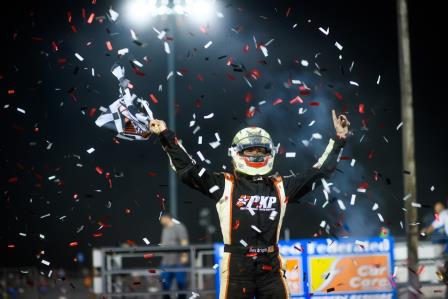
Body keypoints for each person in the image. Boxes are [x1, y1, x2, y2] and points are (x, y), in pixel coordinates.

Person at [149, 110, 349, 299]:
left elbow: (318, 172)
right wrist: (165, 135)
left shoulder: (281, 186)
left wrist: (339, 140)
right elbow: (189, 169)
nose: (256, 153)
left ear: (270, 152)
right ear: (237, 152)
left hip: (271, 266)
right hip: (237, 266)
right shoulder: (224, 184)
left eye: (261, 149)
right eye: (250, 149)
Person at [159, 212, 189, 299]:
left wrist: (184, 255)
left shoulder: (179, 227)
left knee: (181, 286)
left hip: (178, 262)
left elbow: (184, 241)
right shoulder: (165, 229)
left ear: (166, 217)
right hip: (166, 262)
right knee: (165, 286)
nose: (160, 220)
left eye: (161, 218)